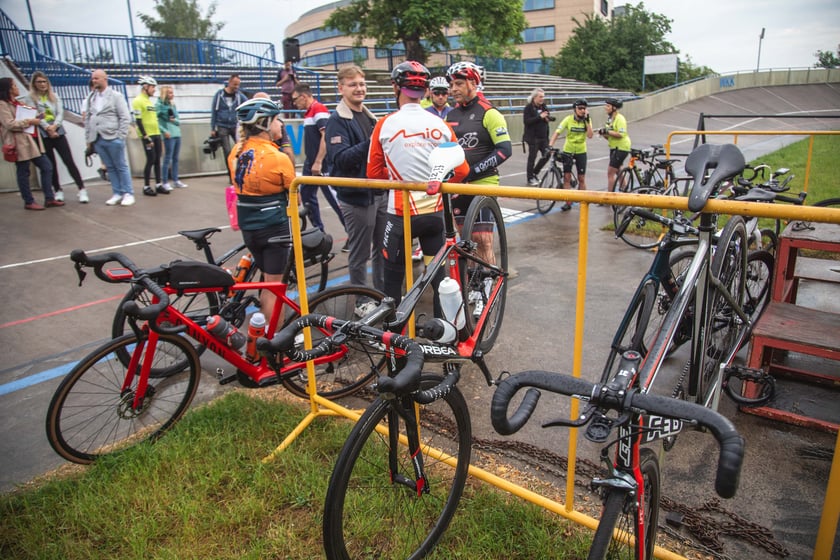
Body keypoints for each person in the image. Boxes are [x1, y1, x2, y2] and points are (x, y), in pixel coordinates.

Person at [368, 61, 468, 315]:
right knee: (439, 279)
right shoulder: (441, 125)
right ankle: (443, 335)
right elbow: (463, 170)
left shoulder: (384, 124)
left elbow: (373, 173)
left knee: (393, 281)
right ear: (425, 91)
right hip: (434, 214)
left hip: (400, 214)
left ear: (395, 87)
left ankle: (396, 343)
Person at [228, 98, 295, 320]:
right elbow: (294, 193)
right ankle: (272, 342)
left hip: (249, 227)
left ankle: (262, 327)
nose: (280, 125)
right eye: (277, 120)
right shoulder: (278, 157)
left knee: (265, 278)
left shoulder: (236, 152)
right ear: (265, 123)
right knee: (274, 288)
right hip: (274, 228)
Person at [324, 65, 383, 316]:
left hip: (379, 193)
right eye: (353, 84)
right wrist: (370, 143)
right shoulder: (337, 120)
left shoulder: (370, 117)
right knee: (360, 254)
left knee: (383, 249)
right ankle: (361, 301)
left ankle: (380, 295)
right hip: (356, 198)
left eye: (362, 84)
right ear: (341, 88)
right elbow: (340, 159)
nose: (359, 89)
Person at [445, 61, 512, 263]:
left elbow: (504, 150)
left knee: (482, 240)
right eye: (452, 85)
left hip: (483, 183)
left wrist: (471, 173)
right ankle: (474, 284)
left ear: (473, 83)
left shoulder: (489, 112)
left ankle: (489, 284)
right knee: (465, 241)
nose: (453, 89)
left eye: (458, 84)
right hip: (458, 186)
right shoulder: (451, 114)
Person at [22, 71, 88, 203]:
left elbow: (60, 112)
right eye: (39, 82)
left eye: (44, 81)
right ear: (34, 84)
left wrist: (55, 126)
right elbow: (35, 115)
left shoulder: (54, 96)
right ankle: (57, 190)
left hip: (58, 130)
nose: (42, 84)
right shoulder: (30, 98)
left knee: (68, 160)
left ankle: (81, 189)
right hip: (43, 132)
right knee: (51, 163)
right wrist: (47, 128)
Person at [0, 77, 63, 210]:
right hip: (19, 143)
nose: (17, 88)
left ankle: (49, 198)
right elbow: (9, 124)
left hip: (32, 140)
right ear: (9, 89)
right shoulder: (2, 105)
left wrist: (38, 117)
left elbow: (26, 117)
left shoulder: (17, 102)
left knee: (47, 167)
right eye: (15, 86)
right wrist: (30, 121)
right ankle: (29, 201)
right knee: (23, 171)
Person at [84, 69, 135, 206]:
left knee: (121, 166)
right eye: (93, 79)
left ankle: (128, 193)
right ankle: (117, 192)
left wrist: (120, 136)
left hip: (113, 137)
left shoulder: (116, 96)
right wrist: (89, 139)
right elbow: (88, 118)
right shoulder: (91, 97)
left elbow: (125, 117)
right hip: (98, 138)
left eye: (96, 78)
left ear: (104, 79)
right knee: (110, 167)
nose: (94, 81)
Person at [292, 83, 331, 231]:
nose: (295, 103)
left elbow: (326, 135)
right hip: (311, 162)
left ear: (303, 96)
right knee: (307, 195)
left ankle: (351, 233)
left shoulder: (318, 109)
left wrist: (319, 161)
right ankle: (318, 231)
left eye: (295, 100)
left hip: (321, 163)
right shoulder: (309, 112)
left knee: (333, 198)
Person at [548, 98, 593, 210]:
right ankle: (568, 202)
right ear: (575, 109)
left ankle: (583, 201)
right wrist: (550, 145)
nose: (582, 110)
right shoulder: (568, 119)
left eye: (584, 108)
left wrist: (587, 121)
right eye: (580, 108)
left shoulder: (587, 120)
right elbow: (557, 132)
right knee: (567, 177)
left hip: (581, 151)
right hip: (568, 150)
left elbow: (590, 135)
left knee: (581, 178)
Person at [132, 76, 168, 196]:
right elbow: (138, 121)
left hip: (156, 133)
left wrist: (159, 135)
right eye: (153, 87)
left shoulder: (149, 101)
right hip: (148, 135)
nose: (154, 90)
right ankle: (146, 186)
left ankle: (158, 184)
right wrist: (146, 136)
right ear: (145, 87)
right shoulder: (138, 101)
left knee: (158, 159)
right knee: (150, 159)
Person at [210, 74, 248, 175]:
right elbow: (214, 111)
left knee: (241, 148)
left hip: (236, 125)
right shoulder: (219, 95)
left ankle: (241, 172)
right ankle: (231, 174)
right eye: (235, 84)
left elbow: (248, 104)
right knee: (227, 151)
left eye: (238, 85)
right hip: (222, 125)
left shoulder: (240, 96)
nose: (236, 87)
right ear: (229, 82)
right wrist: (213, 128)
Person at [156, 85, 188, 190]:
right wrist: (164, 131)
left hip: (177, 133)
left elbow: (177, 120)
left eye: (172, 92)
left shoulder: (173, 105)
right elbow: (155, 121)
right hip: (168, 135)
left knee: (175, 158)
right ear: (165, 94)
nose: (172, 95)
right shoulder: (158, 105)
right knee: (167, 158)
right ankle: (164, 181)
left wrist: (174, 121)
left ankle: (175, 180)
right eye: (170, 93)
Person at [598, 97, 632, 193]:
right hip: (614, 147)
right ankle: (625, 190)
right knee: (618, 170)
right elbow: (609, 137)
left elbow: (621, 134)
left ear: (614, 108)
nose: (605, 107)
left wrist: (607, 131)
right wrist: (603, 133)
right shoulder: (610, 120)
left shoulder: (620, 118)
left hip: (621, 147)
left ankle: (609, 197)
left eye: (608, 106)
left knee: (610, 172)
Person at [522, 87, 552, 186]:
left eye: (543, 97)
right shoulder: (529, 108)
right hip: (533, 138)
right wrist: (539, 117)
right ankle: (530, 178)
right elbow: (527, 121)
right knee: (532, 158)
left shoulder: (543, 106)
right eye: (540, 97)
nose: (542, 99)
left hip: (544, 137)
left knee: (547, 154)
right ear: (534, 97)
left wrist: (548, 118)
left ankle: (535, 172)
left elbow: (547, 115)